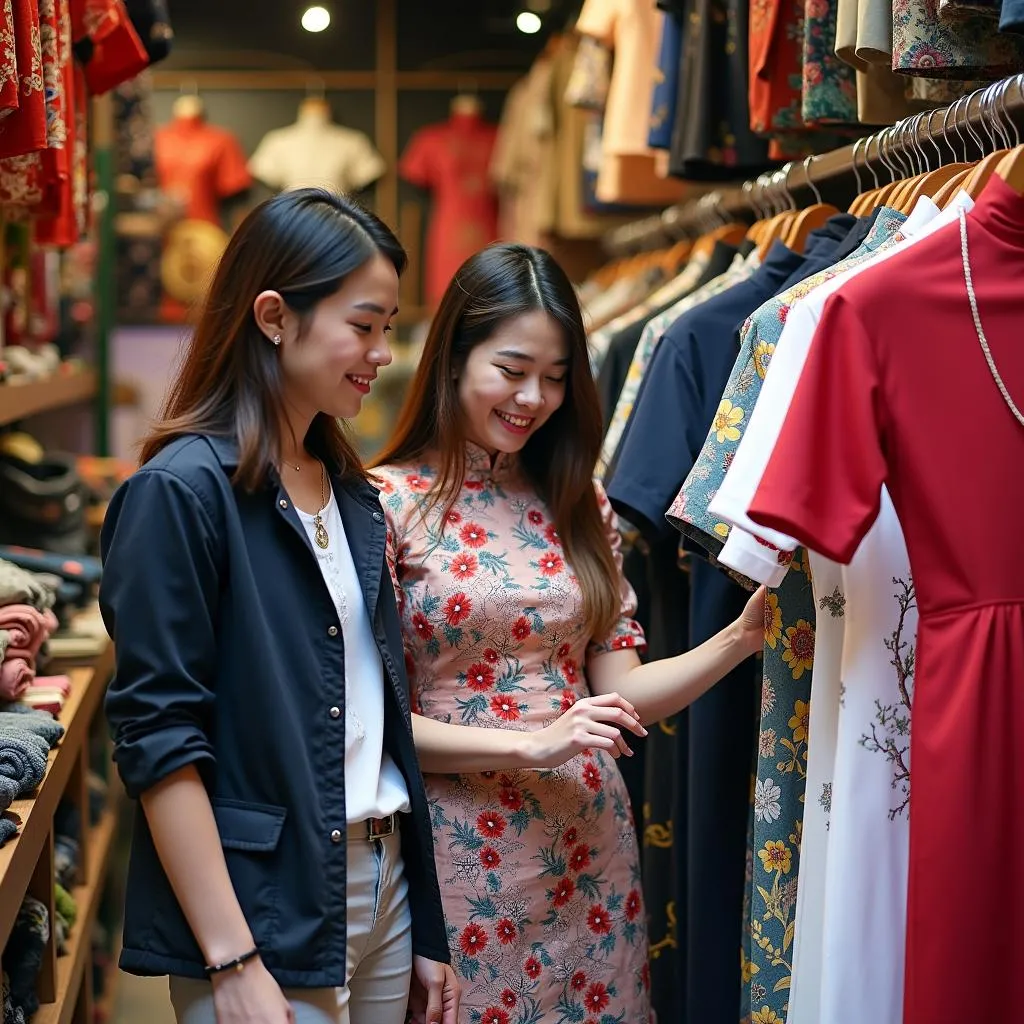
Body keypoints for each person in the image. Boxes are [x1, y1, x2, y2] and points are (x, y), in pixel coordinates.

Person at [371, 243, 766, 1023]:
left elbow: (618, 692)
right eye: (512, 369)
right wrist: (533, 743)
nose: (534, 397)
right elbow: (371, 724)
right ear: (453, 357)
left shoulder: (576, 498)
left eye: (555, 377)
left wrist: (740, 639)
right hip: (458, 859)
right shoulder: (383, 504)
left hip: (590, 850)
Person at [98, 189, 459, 1024]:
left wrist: (424, 922)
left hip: (385, 881)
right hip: (263, 898)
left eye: (389, 327)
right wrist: (230, 958)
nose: (382, 352)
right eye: (363, 326)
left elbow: (379, 715)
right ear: (273, 316)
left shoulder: (350, 494)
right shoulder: (180, 494)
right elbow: (158, 739)